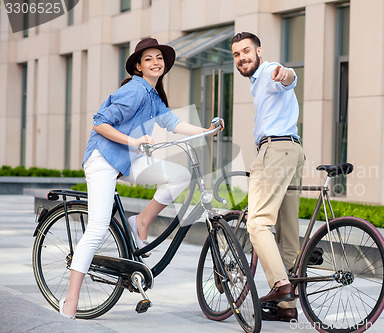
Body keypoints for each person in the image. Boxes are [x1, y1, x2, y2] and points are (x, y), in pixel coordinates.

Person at [59, 37, 224, 319]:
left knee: (179, 176)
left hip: (127, 160)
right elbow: (99, 122)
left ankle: (142, 221)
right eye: (148, 58)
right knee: (98, 227)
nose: (155, 62)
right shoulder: (135, 91)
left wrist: (206, 131)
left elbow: (173, 123)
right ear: (138, 66)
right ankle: (70, 301)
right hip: (102, 159)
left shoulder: (152, 96)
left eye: (159, 58)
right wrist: (133, 142)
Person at [230, 32, 305, 322]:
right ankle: (287, 307)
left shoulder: (268, 72)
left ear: (259, 52)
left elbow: (286, 78)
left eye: (246, 51)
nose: (242, 58)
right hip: (293, 150)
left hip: (274, 150)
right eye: (236, 54)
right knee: (287, 230)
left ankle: (280, 284)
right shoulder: (256, 83)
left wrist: (285, 74)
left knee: (258, 222)